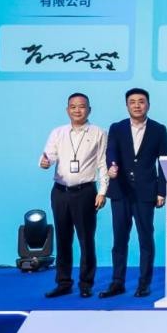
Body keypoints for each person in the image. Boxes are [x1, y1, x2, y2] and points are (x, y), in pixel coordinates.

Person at [101, 88, 167, 298]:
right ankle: (117, 282)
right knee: (119, 239)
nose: (137, 105)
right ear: (127, 105)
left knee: (145, 239)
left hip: (146, 192)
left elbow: (164, 162)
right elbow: (111, 150)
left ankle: (144, 284)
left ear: (148, 105)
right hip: (120, 190)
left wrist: (162, 191)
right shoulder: (117, 127)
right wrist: (112, 165)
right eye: (132, 102)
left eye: (141, 101)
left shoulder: (159, 129)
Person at [39, 93, 108, 298]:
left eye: (82, 106)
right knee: (63, 239)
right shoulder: (58, 132)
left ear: (89, 110)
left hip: (85, 192)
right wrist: (44, 162)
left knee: (86, 240)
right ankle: (63, 283)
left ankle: (86, 284)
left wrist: (102, 191)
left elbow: (103, 164)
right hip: (60, 192)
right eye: (73, 107)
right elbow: (49, 155)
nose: (77, 110)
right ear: (67, 110)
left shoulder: (98, 132)